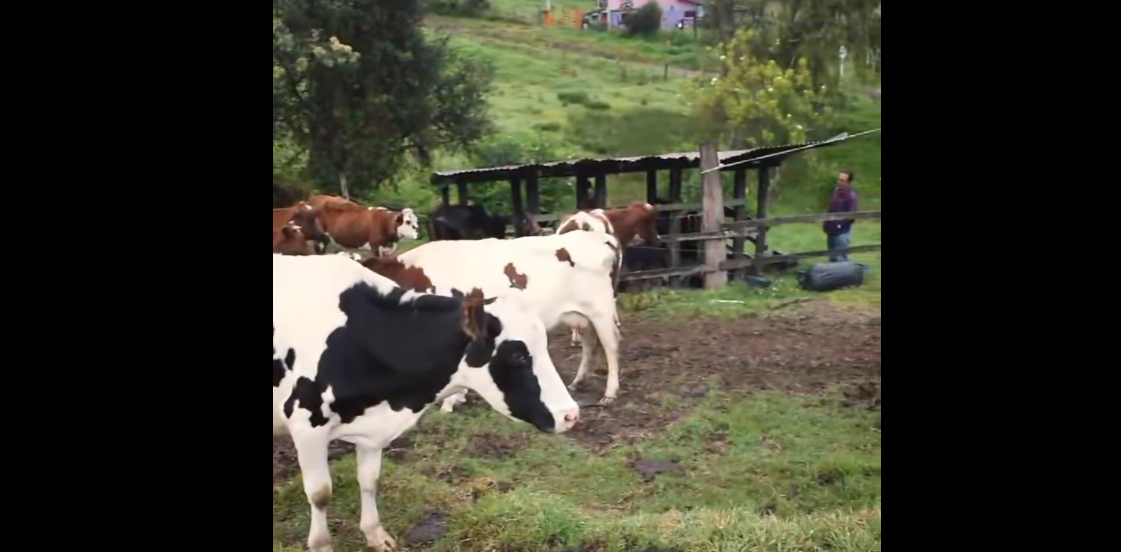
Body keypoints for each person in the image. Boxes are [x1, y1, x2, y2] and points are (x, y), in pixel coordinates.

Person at [823, 170, 859, 262]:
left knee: (841, 258)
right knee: (832, 256)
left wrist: (840, 225)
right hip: (831, 230)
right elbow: (831, 209)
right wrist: (827, 223)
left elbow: (852, 215)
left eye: (842, 181)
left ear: (848, 182)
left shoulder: (851, 196)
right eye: (839, 180)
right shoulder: (836, 192)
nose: (839, 182)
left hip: (842, 232)